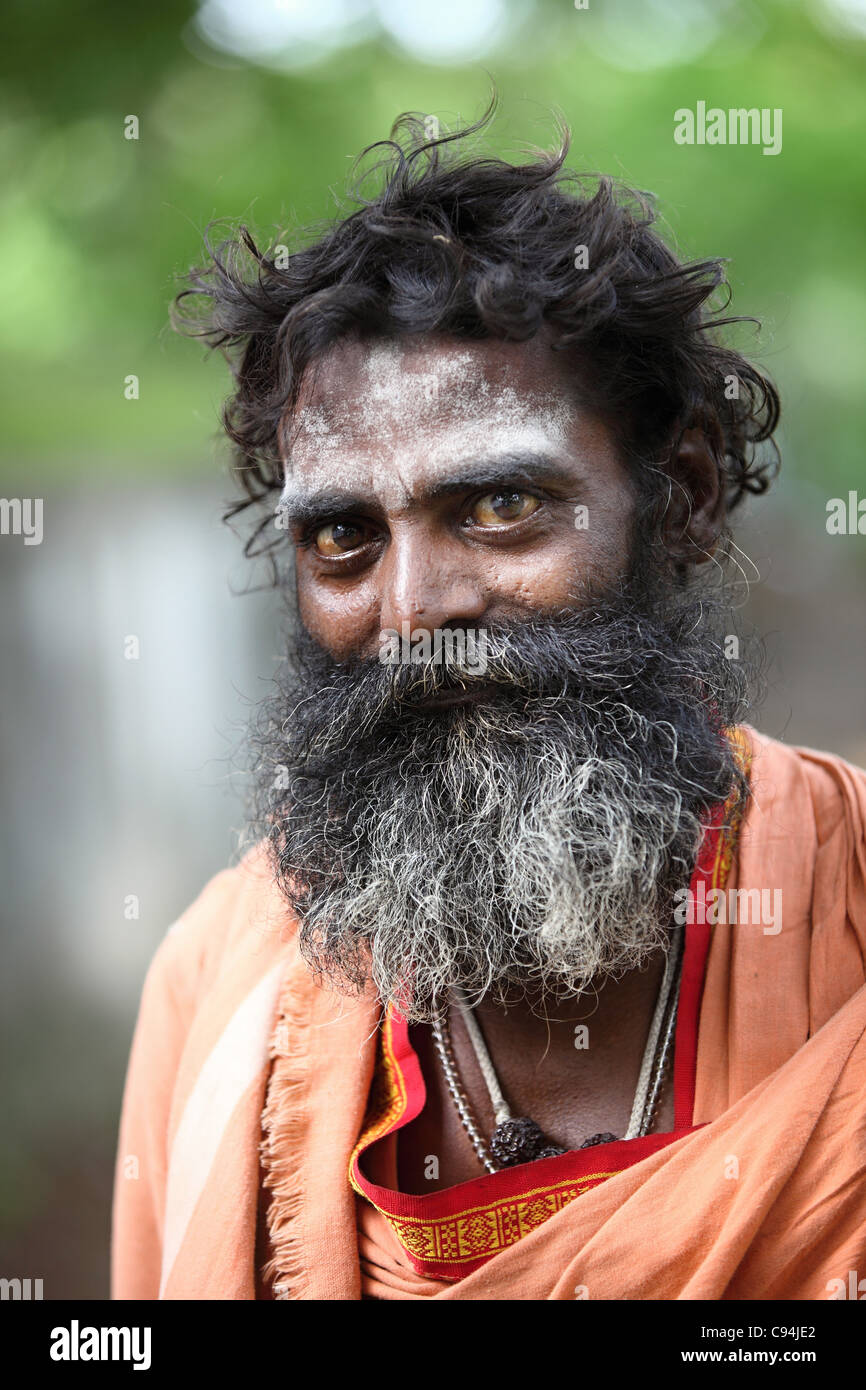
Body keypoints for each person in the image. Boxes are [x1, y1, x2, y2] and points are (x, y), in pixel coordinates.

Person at [111, 104, 866, 1301]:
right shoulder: (217, 977)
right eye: (346, 536)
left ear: (682, 498)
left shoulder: (849, 903)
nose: (411, 611)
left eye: (497, 508)